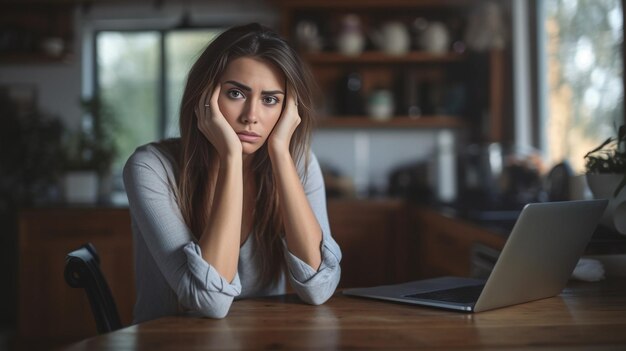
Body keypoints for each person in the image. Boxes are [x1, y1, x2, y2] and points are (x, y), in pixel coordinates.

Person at [123, 23, 341, 322]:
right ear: (204, 97)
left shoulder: (298, 164)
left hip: (264, 342)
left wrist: (280, 151)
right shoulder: (150, 168)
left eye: (270, 100)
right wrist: (230, 157)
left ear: (288, 109)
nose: (251, 116)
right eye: (236, 93)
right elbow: (209, 302)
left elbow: (319, 289)